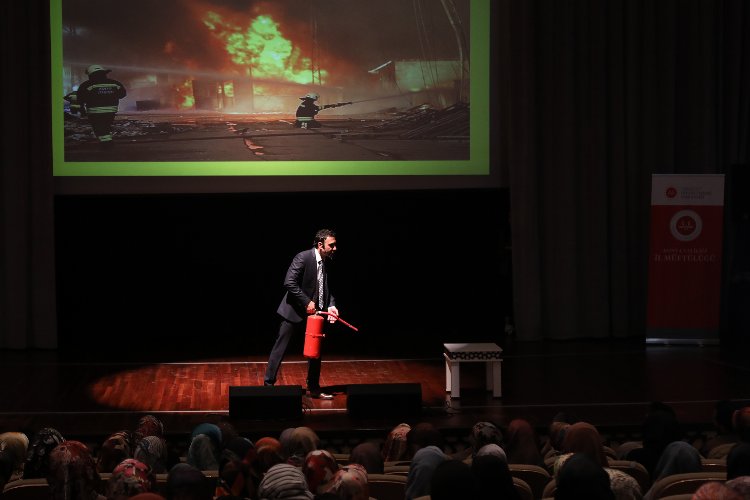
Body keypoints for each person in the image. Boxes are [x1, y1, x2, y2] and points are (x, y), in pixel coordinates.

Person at [264, 229, 340, 399]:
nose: (335, 248)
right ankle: (268, 385)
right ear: (320, 245)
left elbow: (326, 288)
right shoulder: (303, 257)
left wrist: (332, 305)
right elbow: (289, 282)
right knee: (280, 347)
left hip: (315, 314)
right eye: (331, 245)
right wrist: (306, 301)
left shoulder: (326, 262)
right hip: (294, 310)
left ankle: (313, 387)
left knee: (315, 350)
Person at [76, 64, 126, 146]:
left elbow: (81, 98)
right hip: (111, 110)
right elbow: (122, 94)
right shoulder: (115, 83)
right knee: (106, 126)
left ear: (90, 74)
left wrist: (81, 110)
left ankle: (107, 143)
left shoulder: (86, 85)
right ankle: (107, 141)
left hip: (94, 111)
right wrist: (111, 96)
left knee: (99, 127)